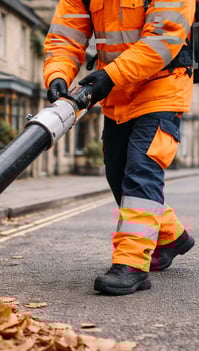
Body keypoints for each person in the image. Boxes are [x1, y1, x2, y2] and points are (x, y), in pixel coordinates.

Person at [44, 0, 196, 295]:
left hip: (161, 86)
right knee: (118, 175)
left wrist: (110, 76)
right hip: (117, 94)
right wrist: (58, 75)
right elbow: (66, 35)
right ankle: (172, 236)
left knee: (141, 170)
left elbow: (164, 36)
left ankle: (131, 265)